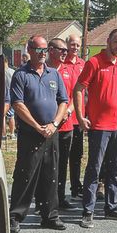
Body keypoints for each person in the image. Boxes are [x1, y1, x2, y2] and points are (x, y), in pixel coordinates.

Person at [75, 29, 117, 228]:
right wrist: (80, 116)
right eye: (116, 42)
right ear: (108, 41)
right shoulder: (94, 62)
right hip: (99, 126)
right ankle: (88, 211)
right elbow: (78, 89)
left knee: (115, 168)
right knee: (94, 168)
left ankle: (112, 207)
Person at [8, 36, 69, 233]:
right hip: (30, 133)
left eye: (45, 50)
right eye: (40, 50)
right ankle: (16, 216)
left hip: (51, 133)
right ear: (30, 50)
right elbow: (18, 104)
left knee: (51, 174)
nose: (43, 54)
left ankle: (49, 215)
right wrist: (36, 126)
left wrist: (54, 124)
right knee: (26, 174)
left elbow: (63, 101)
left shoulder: (54, 74)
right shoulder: (21, 74)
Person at [50, 38, 80, 210]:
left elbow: (76, 95)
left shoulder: (69, 70)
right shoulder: (45, 70)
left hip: (66, 126)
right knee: (47, 164)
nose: (64, 53)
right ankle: (44, 199)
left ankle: (60, 197)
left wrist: (68, 111)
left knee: (62, 164)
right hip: (48, 126)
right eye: (62, 50)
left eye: (65, 51)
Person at [64, 34, 87, 197]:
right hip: (63, 117)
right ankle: (58, 191)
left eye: (78, 45)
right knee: (63, 156)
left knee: (77, 155)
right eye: (72, 44)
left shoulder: (83, 65)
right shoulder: (60, 64)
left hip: (78, 117)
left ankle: (75, 186)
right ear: (66, 45)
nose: (75, 48)